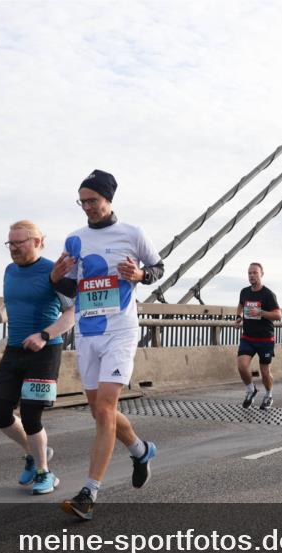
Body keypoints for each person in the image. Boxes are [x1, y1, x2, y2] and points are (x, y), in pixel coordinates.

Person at [51, 169, 165, 520]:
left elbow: (158, 268)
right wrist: (55, 278)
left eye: (93, 201)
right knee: (100, 410)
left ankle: (89, 492)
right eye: (82, 201)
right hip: (88, 333)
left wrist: (141, 275)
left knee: (104, 409)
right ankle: (141, 450)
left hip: (120, 331)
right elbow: (71, 286)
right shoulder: (74, 239)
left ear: (108, 199)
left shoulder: (133, 233)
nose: (88, 207)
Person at [0, 220, 74, 496]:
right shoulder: (9, 270)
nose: (13, 248)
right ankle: (34, 452)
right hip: (14, 349)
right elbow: (11, 302)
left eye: (19, 243)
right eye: (10, 243)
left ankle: (45, 472)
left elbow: (72, 313)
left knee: (31, 415)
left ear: (37, 242)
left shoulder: (53, 271)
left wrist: (44, 335)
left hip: (44, 352)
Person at [234, 262, 281, 409]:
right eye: (249, 273)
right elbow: (241, 305)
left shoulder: (268, 294)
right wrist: (238, 317)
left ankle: (268, 395)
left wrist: (261, 312)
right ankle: (251, 390)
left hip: (265, 339)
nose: (252, 275)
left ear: (261, 274)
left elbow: (278, 315)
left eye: (255, 273)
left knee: (264, 372)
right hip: (248, 337)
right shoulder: (244, 292)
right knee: (242, 366)